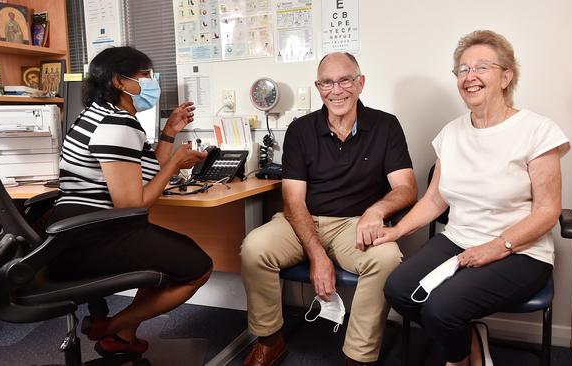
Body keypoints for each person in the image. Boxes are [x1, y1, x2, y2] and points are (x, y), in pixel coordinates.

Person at [379, 30, 570, 366]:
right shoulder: (451, 133)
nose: (470, 77)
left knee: (442, 308)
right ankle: (469, 340)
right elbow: (435, 200)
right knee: (398, 289)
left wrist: (495, 248)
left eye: (481, 67)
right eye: (462, 70)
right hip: (459, 239)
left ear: (506, 76)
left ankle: (459, 359)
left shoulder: (537, 131)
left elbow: (547, 210)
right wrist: (395, 232)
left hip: (521, 251)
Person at [241, 52, 418, 366]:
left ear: (360, 83)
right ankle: (270, 340)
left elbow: (406, 188)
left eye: (345, 80)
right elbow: (294, 201)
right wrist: (317, 255)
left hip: (355, 223)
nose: (336, 90)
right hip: (304, 220)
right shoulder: (300, 130)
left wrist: (376, 212)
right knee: (255, 247)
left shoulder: (385, 125)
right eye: (327, 82)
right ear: (318, 87)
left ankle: (358, 356)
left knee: (387, 258)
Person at [46, 46, 212, 356]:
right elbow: (132, 206)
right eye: (145, 76)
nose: (152, 83)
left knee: (167, 253)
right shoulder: (117, 124)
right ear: (120, 82)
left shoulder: (99, 115)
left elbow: (145, 175)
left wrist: (169, 132)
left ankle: (121, 335)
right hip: (91, 239)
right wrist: (176, 164)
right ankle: (109, 327)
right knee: (199, 267)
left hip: (73, 234)